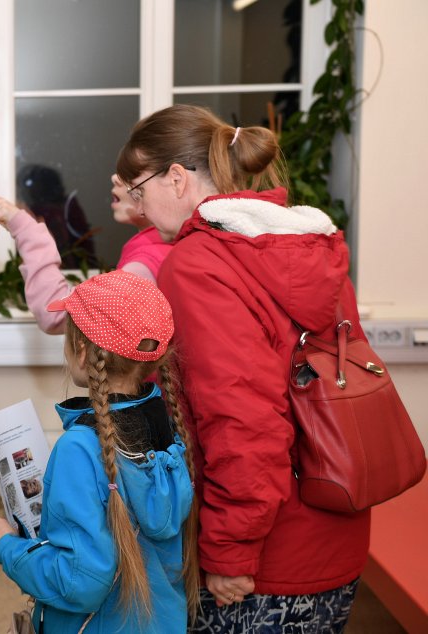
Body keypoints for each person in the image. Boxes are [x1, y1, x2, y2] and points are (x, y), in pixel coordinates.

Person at [115, 103, 369, 632]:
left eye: (139, 189)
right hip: (335, 533)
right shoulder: (307, 245)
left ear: (177, 178)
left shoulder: (198, 262)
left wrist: (229, 551)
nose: (138, 207)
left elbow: (243, 421)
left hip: (262, 562)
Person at [0, 271, 199, 633]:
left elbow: (81, 580)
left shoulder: (79, 448)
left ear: (82, 352)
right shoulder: (166, 426)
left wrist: (6, 547)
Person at [0, 171, 172, 334]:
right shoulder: (157, 251)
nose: (115, 177)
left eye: (133, 168)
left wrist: (25, 229)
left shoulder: (144, 265)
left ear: (174, 181)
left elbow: (56, 313)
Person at [15, 164, 96, 269]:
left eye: (30, 184)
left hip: (67, 270)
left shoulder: (53, 211)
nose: (24, 191)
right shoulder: (69, 207)